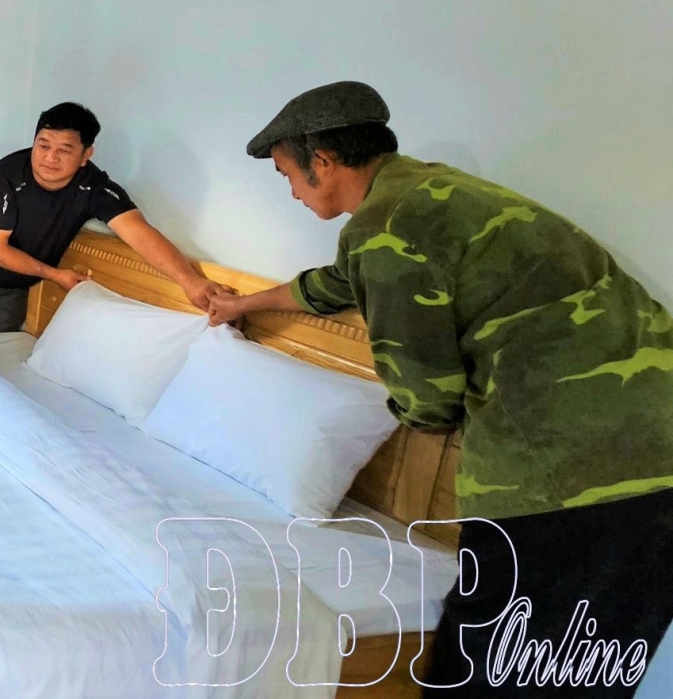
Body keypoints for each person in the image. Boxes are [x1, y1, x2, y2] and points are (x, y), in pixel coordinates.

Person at [207, 81, 673, 696]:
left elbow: (428, 399)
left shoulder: (385, 230)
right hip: (653, 439)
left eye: (287, 174)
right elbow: (339, 283)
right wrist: (245, 304)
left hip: (571, 471)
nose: (291, 191)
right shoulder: (430, 192)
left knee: (490, 665)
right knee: (596, 659)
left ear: (323, 161)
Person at [0, 102, 225, 336]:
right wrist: (54, 275)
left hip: (17, 279)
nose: (50, 158)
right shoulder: (4, 176)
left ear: (87, 154)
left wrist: (189, 281)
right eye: (43, 145)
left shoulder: (94, 188)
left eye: (64, 150)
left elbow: (140, 233)